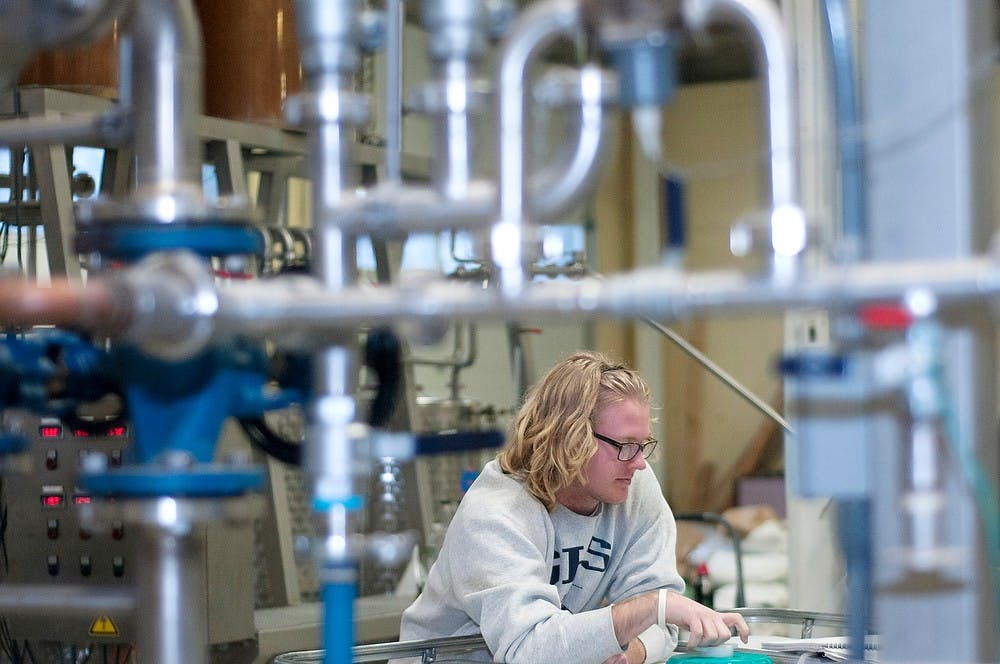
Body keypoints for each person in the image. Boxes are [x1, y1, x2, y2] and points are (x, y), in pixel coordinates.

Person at [399, 350, 750, 663]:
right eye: (625, 445)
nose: (640, 463)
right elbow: (530, 651)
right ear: (570, 437)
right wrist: (649, 608)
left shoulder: (634, 489)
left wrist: (632, 653)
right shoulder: (497, 512)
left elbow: (663, 624)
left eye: (643, 445)